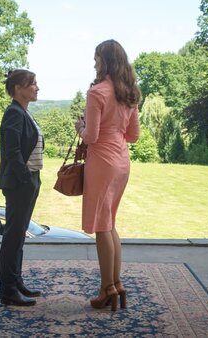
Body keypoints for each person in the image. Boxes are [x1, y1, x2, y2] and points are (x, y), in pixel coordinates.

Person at [74, 39, 140, 311]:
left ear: (106, 61)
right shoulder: (131, 92)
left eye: (97, 58)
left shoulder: (97, 92)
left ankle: (107, 289)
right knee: (110, 222)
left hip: (102, 161)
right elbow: (133, 136)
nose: (94, 63)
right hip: (122, 161)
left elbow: (90, 136)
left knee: (102, 225)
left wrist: (81, 126)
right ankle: (117, 284)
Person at [0, 69, 44, 306]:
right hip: (20, 183)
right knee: (13, 236)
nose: (37, 87)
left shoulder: (23, 112)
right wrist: (25, 178)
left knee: (18, 235)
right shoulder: (14, 113)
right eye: (32, 84)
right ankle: (8, 291)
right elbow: (12, 151)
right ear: (18, 88)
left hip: (30, 180)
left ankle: (16, 282)